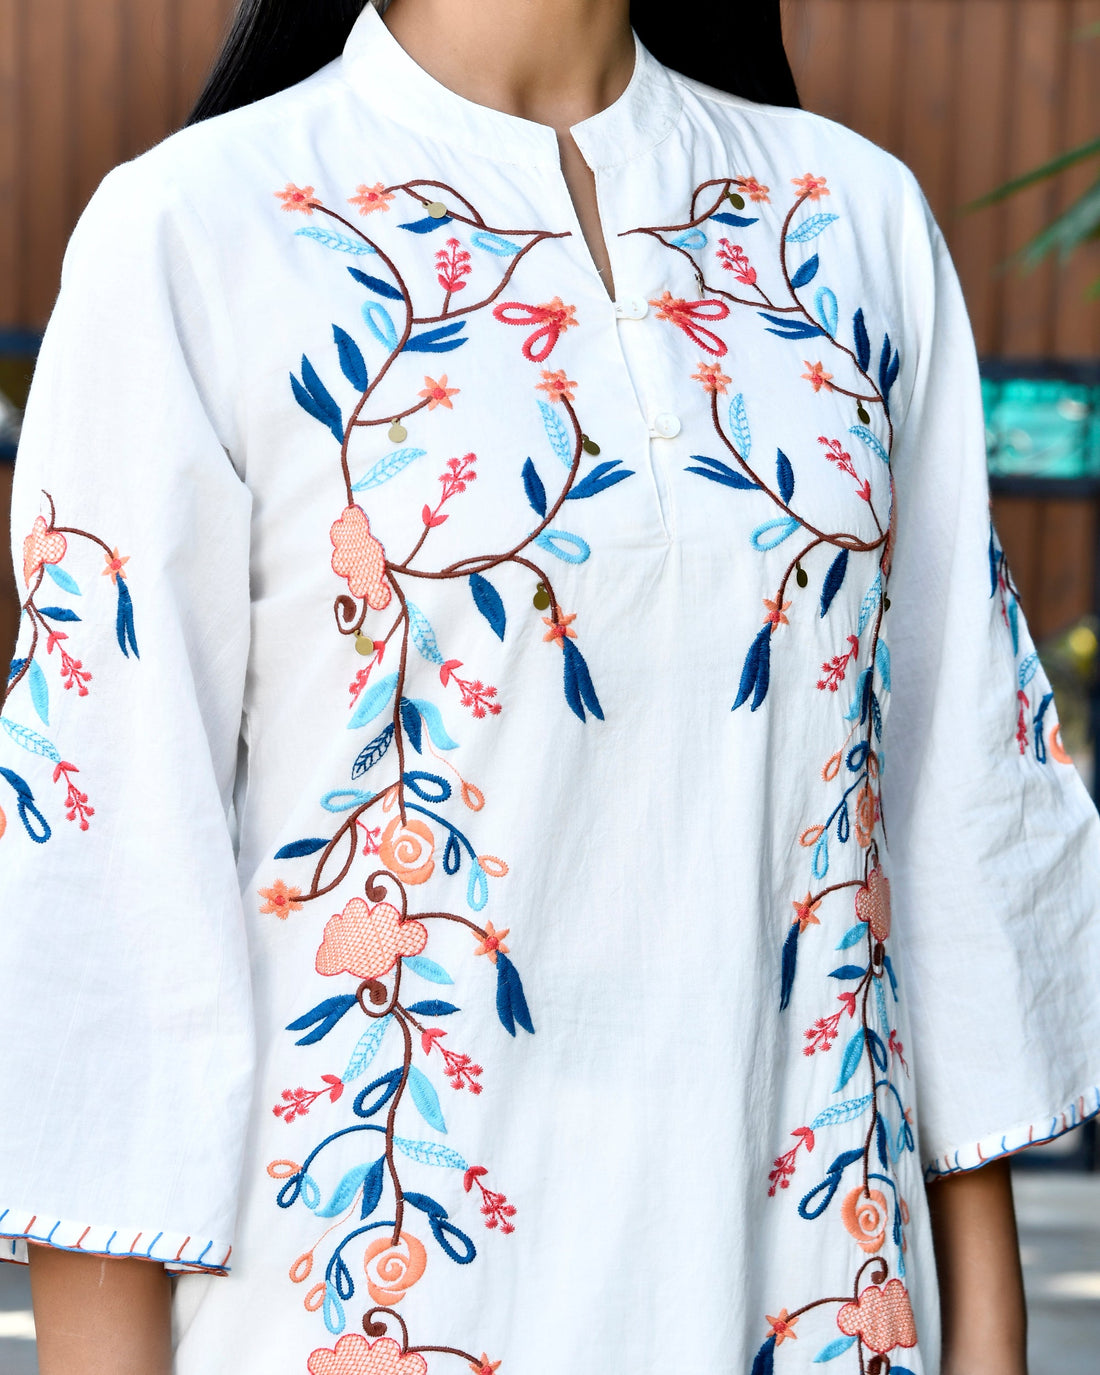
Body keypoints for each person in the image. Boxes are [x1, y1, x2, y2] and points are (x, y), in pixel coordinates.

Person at [2, 0, 1098, 1371]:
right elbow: (107, 900)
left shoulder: (849, 225)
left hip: (821, 1306)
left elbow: (954, 835)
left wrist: (986, 1348)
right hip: (371, 1317)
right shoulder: (194, 234)